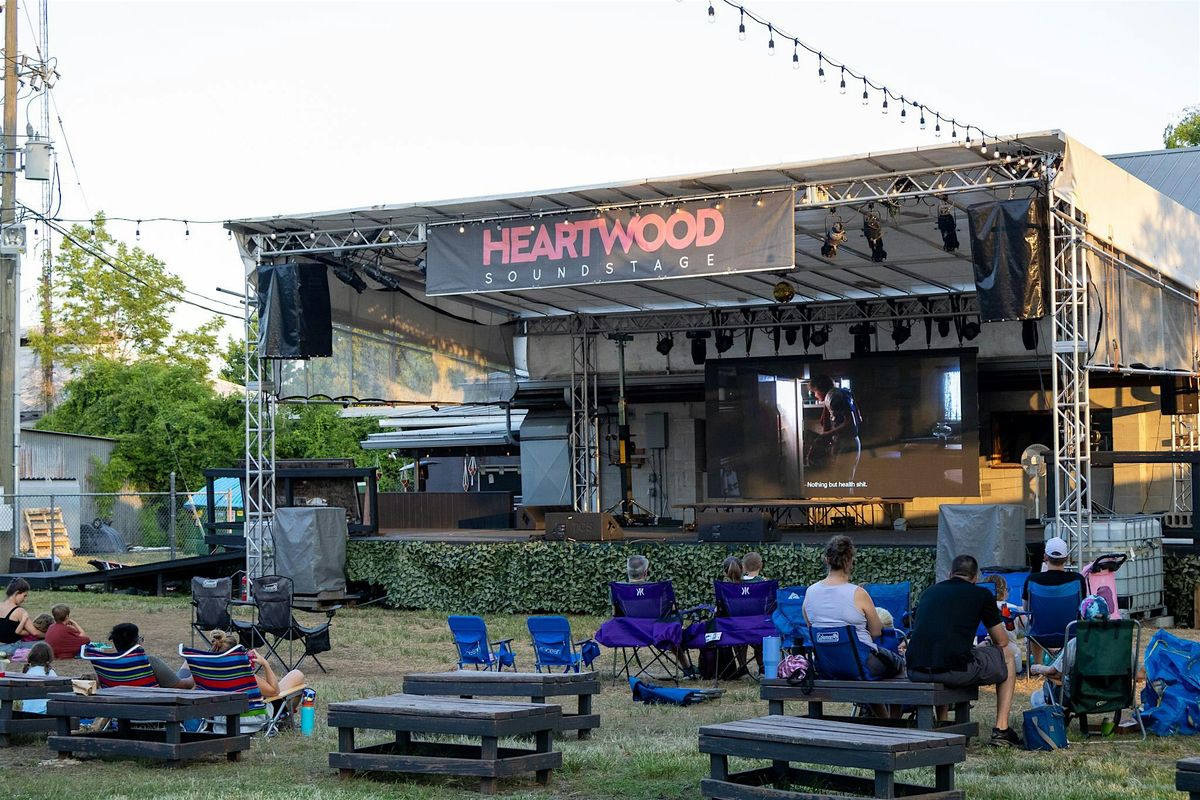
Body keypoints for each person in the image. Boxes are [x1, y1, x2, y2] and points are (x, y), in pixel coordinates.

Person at [907, 554, 1021, 747]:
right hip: (953, 670)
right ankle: (1001, 730)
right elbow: (1001, 641)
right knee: (1008, 654)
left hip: (915, 669)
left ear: (950, 573)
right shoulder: (981, 595)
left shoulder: (930, 592)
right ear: (975, 578)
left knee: (946, 653)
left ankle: (942, 719)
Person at [803, 535, 904, 680]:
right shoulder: (858, 594)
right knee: (900, 667)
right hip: (861, 665)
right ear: (850, 561)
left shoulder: (810, 592)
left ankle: (876, 704)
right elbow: (876, 632)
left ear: (826, 560)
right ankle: (899, 702)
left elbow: (811, 627)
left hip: (826, 666)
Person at [1023, 536, 1087, 664]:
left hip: (1040, 635)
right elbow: (1083, 608)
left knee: (1031, 623)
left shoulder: (1032, 580)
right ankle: (1072, 664)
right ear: (1067, 558)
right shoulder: (1077, 580)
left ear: (1045, 557)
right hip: (1072, 634)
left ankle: (1038, 665)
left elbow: (1027, 608)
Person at [208, 630, 304, 702]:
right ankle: (284, 716)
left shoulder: (204, 673)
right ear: (237, 654)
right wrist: (265, 664)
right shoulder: (241, 674)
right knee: (297, 675)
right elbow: (275, 692)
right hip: (249, 721)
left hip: (216, 721)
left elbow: (192, 684)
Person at [809, 375, 862, 484]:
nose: (815, 395)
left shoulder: (833, 398)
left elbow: (850, 423)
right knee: (846, 480)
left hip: (846, 442)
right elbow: (859, 418)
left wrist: (827, 434)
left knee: (840, 481)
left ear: (820, 389)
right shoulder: (842, 392)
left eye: (815, 391)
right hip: (851, 441)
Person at [108, 623, 194, 689]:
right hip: (155, 707)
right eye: (140, 639)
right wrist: (195, 676)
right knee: (190, 664)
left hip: (117, 707)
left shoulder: (107, 664)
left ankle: (190, 661)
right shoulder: (148, 662)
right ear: (137, 643)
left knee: (188, 662)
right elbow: (182, 687)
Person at [0, 578, 42, 655]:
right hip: (10, 647)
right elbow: (35, 633)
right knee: (44, 644)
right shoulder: (19, 611)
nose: (24, 599)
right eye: (24, 596)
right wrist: (48, 635)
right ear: (17, 593)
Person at [19, 642, 56, 714]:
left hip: (26, 712)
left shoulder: (27, 672)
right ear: (50, 657)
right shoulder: (50, 673)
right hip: (44, 713)